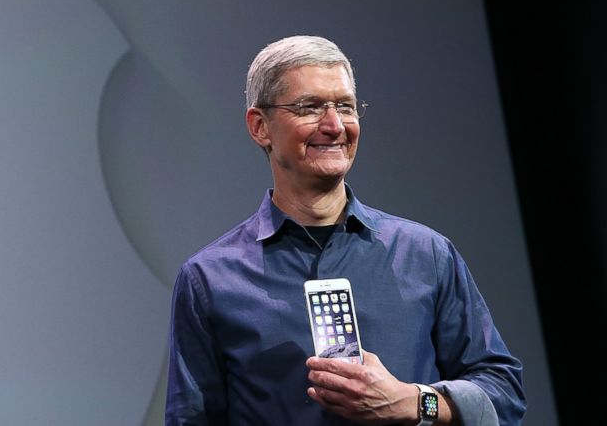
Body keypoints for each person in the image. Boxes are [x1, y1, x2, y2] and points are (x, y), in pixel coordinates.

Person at [166, 36, 525, 425]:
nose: (335, 125)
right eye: (310, 107)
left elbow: (503, 395)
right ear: (260, 127)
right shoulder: (210, 279)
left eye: (346, 107)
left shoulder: (425, 254)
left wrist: (413, 402)